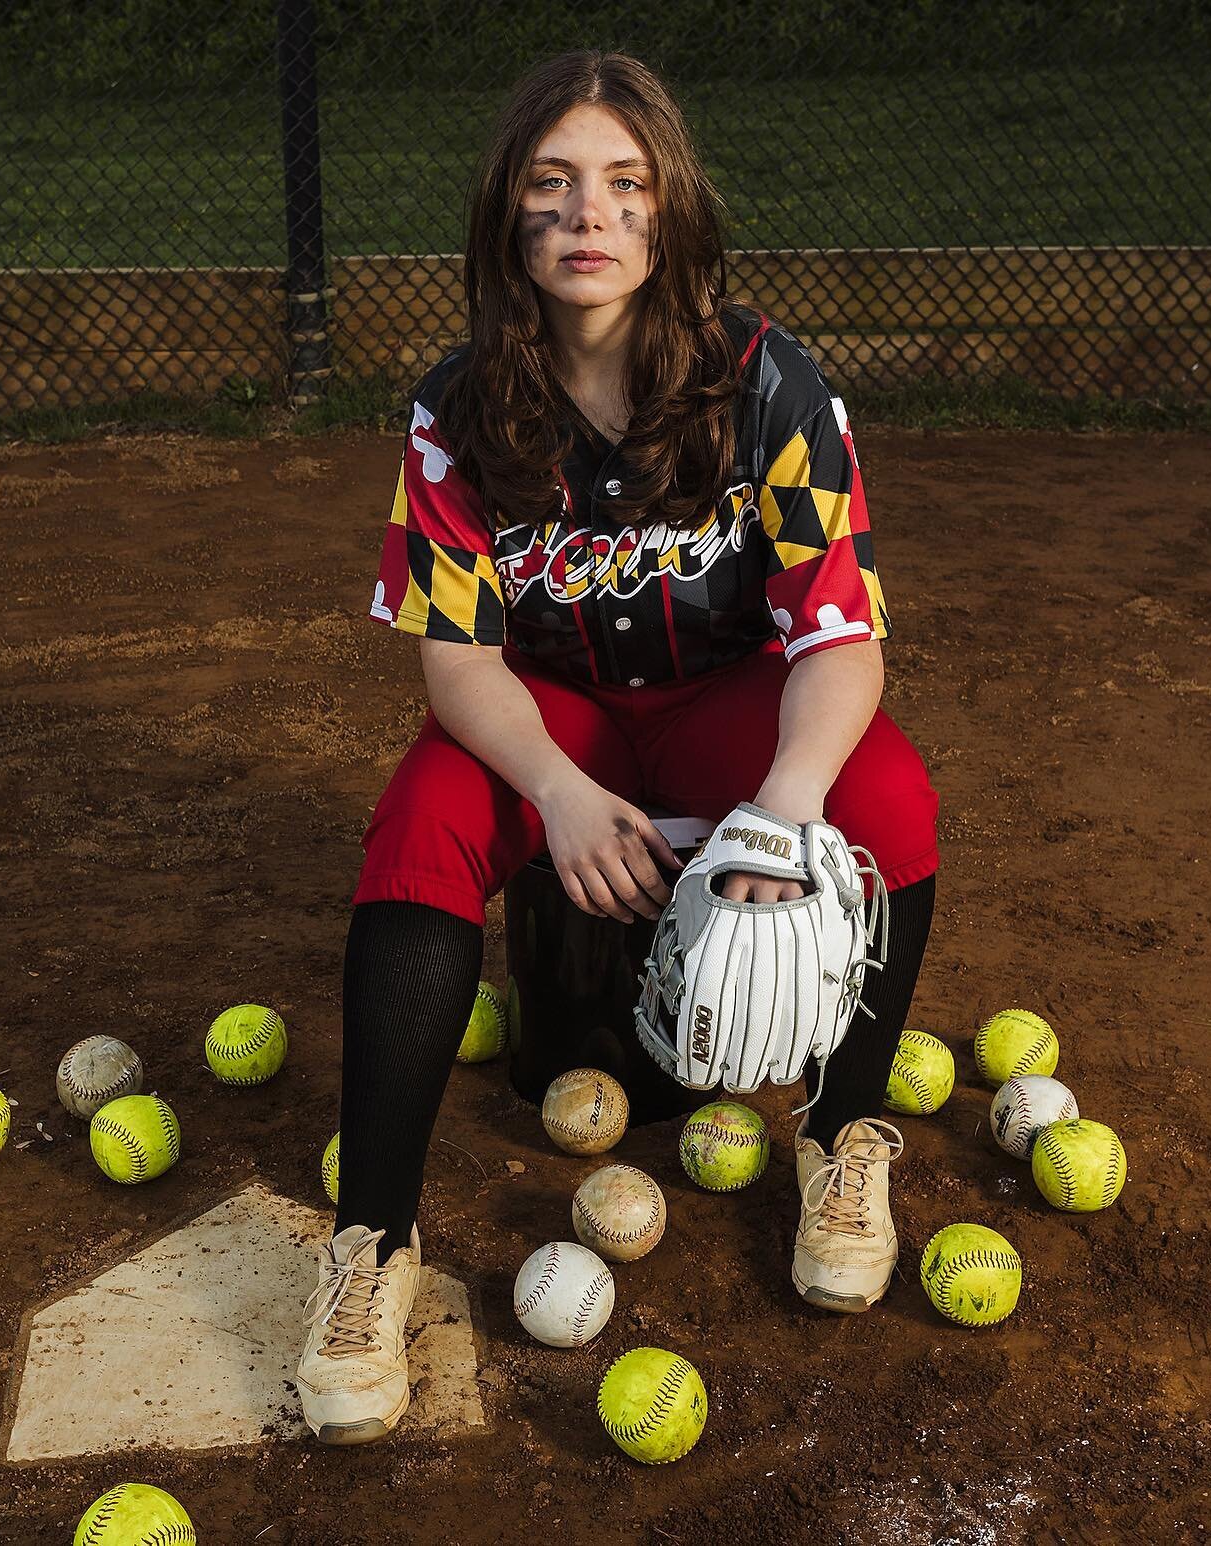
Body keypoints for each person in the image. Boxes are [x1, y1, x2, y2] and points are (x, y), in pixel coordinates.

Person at [296, 48, 940, 1446]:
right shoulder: (458, 407)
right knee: (418, 825)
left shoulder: (769, 385)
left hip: (724, 700)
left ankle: (844, 1133)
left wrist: (781, 806)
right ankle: (371, 1244)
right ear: (510, 221)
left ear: (669, 215)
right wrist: (554, 789)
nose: (590, 216)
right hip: (557, 716)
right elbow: (456, 653)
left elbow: (840, 632)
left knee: (884, 792)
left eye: (625, 185)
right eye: (553, 185)